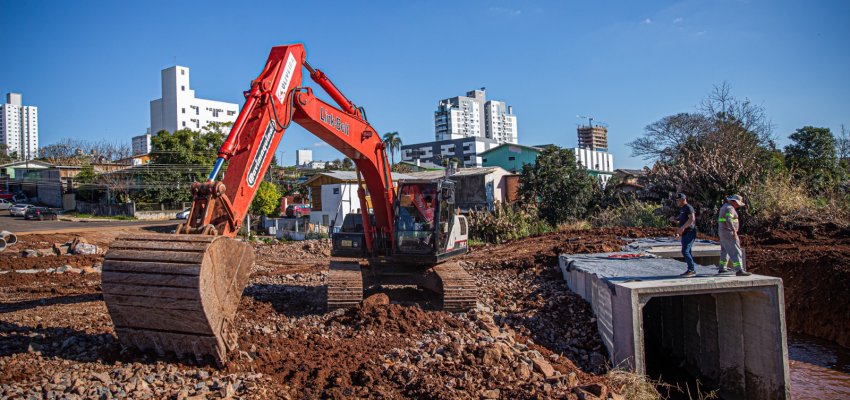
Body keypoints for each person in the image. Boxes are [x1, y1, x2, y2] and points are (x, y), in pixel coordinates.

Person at [717, 194, 752, 276]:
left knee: (724, 250)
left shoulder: (724, 207)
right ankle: (739, 269)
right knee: (736, 250)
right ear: (734, 202)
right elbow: (728, 219)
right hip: (729, 232)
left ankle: (722, 267)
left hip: (722, 232)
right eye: (738, 204)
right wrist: (733, 230)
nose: (738, 206)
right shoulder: (730, 208)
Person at [674, 193, 698, 278]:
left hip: (690, 232)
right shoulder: (682, 209)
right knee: (688, 251)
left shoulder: (688, 207)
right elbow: (682, 221)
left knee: (685, 251)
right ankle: (690, 269)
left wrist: (683, 228)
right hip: (685, 232)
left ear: (683, 199)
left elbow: (692, 219)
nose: (677, 202)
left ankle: (692, 270)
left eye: (678, 200)